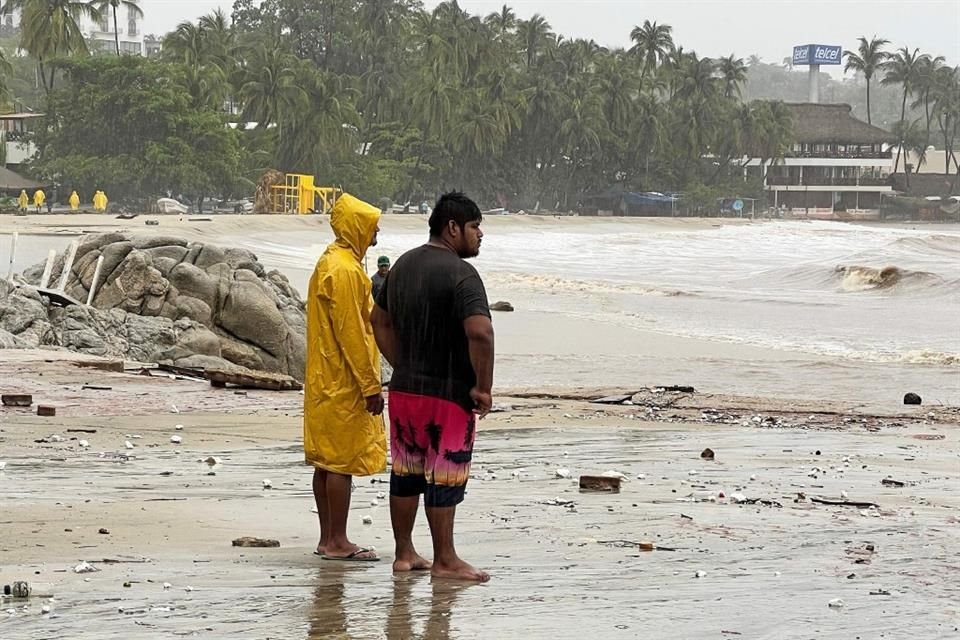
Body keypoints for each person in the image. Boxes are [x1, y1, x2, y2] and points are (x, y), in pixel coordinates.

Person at [371, 191, 494, 582]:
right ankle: (445, 559)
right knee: (445, 471)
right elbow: (481, 332)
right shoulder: (462, 274)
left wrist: (402, 364)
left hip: (406, 391)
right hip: (447, 393)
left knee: (406, 471)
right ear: (452, 227)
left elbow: (379, 321)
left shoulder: (403, 265)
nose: (479, 236)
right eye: (475, 227)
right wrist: (483, 388)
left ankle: (404, 554)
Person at [304, 192, 386, 562]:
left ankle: (327, 537)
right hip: (343, 380)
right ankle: (338, 540)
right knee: (340, 463)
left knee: (326, 461)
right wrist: (371, 385)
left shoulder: (328, 261)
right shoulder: (347, 272)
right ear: (356, 227)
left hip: (324, 377)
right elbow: (354, 332)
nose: (376, 237)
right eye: (372, 229)